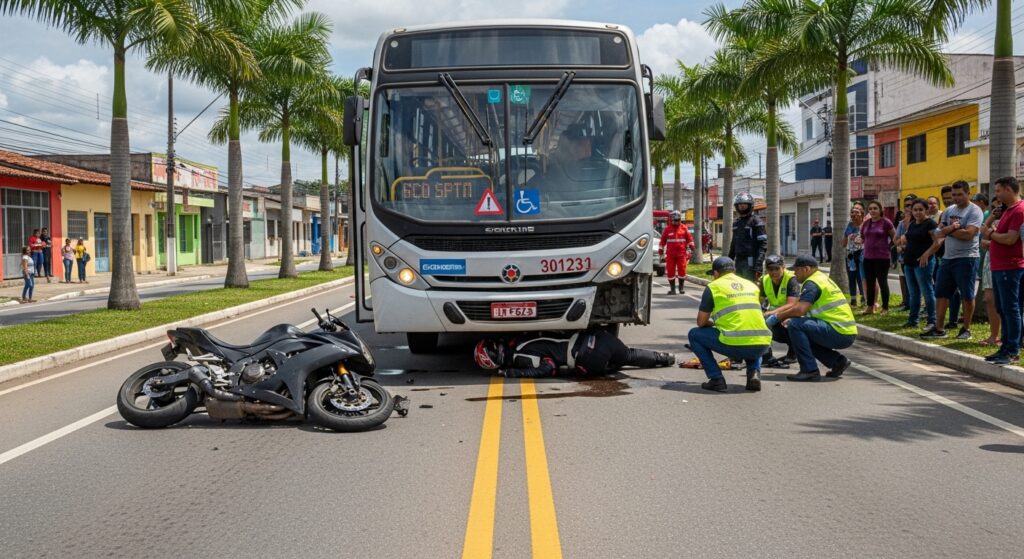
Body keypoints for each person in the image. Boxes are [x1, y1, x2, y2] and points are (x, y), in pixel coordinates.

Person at [688, 256, 772, 392]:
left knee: (694, 334)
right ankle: (753, 374)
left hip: (734, 343)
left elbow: (701, 322)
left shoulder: (713, 287)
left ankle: (716, 379)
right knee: (752, 337)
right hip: (763, 343)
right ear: (733, 271)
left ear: (715, 273)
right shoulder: (751, 285)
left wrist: (715, 325)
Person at [775, 255, 858, 381]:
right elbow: (807, 310)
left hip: (838, 331)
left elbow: (801, 309)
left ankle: (809, 370)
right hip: (844, 331)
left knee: (795, 325)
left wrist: (779, 316)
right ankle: (837, 362)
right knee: (800, 332)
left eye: (796, 270)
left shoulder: (812, 283)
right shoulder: (821, 278)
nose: (794, 274)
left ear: (806, 269)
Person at [919, 180, 982, 339]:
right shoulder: (949, 210)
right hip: (948, 258)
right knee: (941, 293)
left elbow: (969, 235)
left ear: (968, 193)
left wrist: (948, 230)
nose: (956, 198)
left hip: (967, 258)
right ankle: (939, 329)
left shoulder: (975, 211)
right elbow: (937, 233)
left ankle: (966, 329)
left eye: (960, 194)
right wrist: (952, 228)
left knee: (967, 295)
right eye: (954, 195)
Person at [473, 329, 674, 378]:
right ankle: (665, 358)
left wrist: (513, 374)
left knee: (606, 368)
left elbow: (548, 367)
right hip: (599, 337)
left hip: (587, 357)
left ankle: (611, 366)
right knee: (629, 355)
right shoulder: (521, 336)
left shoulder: (519, 356)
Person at [981, 176, 1024, 364]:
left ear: (1008, 189)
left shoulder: (1019, 211)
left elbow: (1010, 239)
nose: (996, 194)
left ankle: (1012, 350)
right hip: (1000, 267)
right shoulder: (1007, 211)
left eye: (998, 190)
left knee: (1011, 308)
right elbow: (990, 231)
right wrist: (993, 218)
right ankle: (1005, 347)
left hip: (1011, 267)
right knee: (1003, 308)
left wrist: (991, 234)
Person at [899, 199, 938, 329]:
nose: (917, 212)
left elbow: (937, 242)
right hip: (909, 262)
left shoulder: (930, 224)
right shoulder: (912, 224)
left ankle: (932, 320)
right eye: (915, 210)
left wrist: (927, 254)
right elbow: (907, 239)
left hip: (923, 263)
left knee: (927, 291)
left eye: (921, 209)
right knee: (914, 293)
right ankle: (913, 320)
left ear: (926, 210)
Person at [760, 254, 800, 368]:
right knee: (761, 322)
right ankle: (767, 356)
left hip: (793, 313)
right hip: (776, 314)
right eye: (770, 269)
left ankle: (794, 351)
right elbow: (761, 301)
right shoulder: (765, 280)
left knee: (786, 323)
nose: (773, 272)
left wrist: (771, 313)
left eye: (777, 268)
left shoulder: (792, 279)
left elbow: (792, 304)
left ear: (783, 267)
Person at [860, 200, 896, 315]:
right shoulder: (866, 223)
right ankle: (870, 307)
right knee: (870, 283)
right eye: (870, 209)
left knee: (882, 282)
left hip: (882, 258)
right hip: (868, 257)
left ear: (880, 210)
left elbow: (895, 237)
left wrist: (888, 248)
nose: (872, 211)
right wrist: (858, 240)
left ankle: (885, 308)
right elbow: (862, 237)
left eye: (875, 208)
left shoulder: (886, 222)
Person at [978, 197, 1003, 347]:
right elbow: (983, 240)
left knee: (1004, 301)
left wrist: (992, 241)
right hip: (990, 260)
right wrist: (992, 216)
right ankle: (994, 335)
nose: (998, 208)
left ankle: (1006, 337)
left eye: (1000, 205)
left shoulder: (1015, 216)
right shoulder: (994, 218)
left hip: (1003, 261)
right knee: (989, 298)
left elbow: (1009, 240)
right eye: (996, 206)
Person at [728, 192, 767, 281]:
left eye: (744, 204)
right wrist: (728, 261)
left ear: (750, 205)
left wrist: (758, 264)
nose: (741, 206)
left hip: (751, 262)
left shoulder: (756, 221)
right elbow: (733, 244)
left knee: (751, 287)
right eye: (739, 204)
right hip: (738, 262)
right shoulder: (736, 223)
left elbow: (763, 244)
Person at [659, 210, 695, 294]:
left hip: (681, 254)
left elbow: (689, 238)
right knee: (670, 270)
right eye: (675, 220)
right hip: (670, 254)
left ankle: (681, 288)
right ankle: (672, 289)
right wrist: (661, 249)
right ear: (671, 220)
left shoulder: (684, 228)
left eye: (678, 220)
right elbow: (662, 240)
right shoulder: (667, 229)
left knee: (682, 270)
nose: (676, 222)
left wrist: (691, 245)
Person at [842, 202, 866, 307]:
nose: (853, 214)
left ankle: (863, 297)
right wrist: (845, 236)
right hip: (850, 254)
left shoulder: (865, 225)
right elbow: (843, 243)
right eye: (852, 212)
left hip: (862, 253)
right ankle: (853, 300)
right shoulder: (849, 225)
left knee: (861, 276)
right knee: (851, 276)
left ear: (861, 213)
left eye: (856, 212)